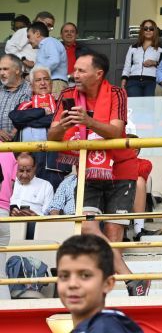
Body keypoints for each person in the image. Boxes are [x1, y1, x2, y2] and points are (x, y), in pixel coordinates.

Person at [48, 52, 144, 292]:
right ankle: (133, 279)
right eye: (75, 70)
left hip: (121, 169)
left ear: (98, 74)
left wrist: (88, 122)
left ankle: (113, 290)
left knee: (113, 235)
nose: (74, 75)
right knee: (88, 227)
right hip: (87, 169)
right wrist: (64, 125)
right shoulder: (67, 95)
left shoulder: (117, 93)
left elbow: (116, 132)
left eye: (81, 71)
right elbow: (51, 136)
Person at [10, 66, 69, 189]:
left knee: (52, 203)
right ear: (31, 85)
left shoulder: (61, 105)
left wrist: (28, 120)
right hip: (25, 164)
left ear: (51, 84)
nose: (42, 83)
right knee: (26, 204)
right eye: (38, 80)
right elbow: (16, 118)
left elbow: (55, 120)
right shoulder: (24, 106)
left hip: (53, 164)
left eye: (46, 79)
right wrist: (42, 111)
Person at [10, 152, 54, 235]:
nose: (24, 175)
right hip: (9, 221)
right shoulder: (8, 182)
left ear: (35, 167)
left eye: (28, 171)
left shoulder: (46, 186)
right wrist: (10, 211)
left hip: (35, 225)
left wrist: (35, 217)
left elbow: (47, 215)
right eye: (21, 170)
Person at [121, 19, 162, 98]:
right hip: (133, 81)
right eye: (145, 28)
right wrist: (124, 79)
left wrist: (154, 63)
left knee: (149, 108)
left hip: (151, 81)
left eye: (151, 28)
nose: (148, 30)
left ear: (155, 31)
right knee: (135, 107)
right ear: (142, 31)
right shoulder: (133, 48)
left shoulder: (160, 48)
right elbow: (127, 65)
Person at [26, 21, 67, 94]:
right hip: (49, 83)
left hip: (56, 83)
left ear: (37, 34)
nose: (28, 41)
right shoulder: (45, 45)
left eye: (29, 37)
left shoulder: (49, 41)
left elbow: (54, 61)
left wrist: (36, 74)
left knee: (55, 105)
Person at [0, 53, 32, 143]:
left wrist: (16, 130)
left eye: (5, 69)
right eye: (0, 69)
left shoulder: (31, 89)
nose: (2, 73)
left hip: (24, 148)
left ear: (17, 70)